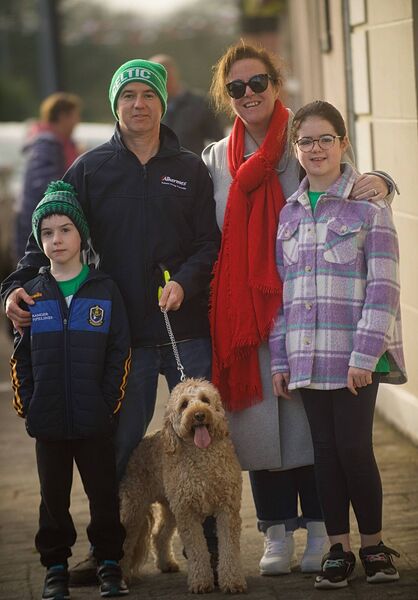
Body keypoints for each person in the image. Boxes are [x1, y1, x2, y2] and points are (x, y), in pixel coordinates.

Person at [1, 59, 220, 585]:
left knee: (204, 440)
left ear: (162, 102)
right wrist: (13, 290)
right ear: (114, 104)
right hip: (123, 341)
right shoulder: (90, 169)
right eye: (127, 95)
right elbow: (44, 238)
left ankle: (208, 551)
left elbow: (208, 243)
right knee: (116, 448)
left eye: (148, 94)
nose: (137, 103)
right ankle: (113, 555)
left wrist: (185, 280)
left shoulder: (189, 168)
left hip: (183, 328)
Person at [202, 41, 397, 576]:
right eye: (237, 87)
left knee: (318, 434)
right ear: (227, 93)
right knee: (257, 422)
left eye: (258, 83)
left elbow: (357, 185)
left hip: (313, 313)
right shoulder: (217, 156)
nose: (248, 94)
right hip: (250, 315)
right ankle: (275, 531)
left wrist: (388, 181)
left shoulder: (302, 137)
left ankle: (321, 530)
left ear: (275, 84)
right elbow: (204, 228)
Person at [269, 100, 406, 589]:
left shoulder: (369, 204)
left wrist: (365, 355)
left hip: (355, 357)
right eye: (306, 141)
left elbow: (384, 287)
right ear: (296, 149)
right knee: (323, 453)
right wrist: (280, 359)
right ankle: (338, 550)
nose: (316, 149)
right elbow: (283, 298)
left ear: (343, 143)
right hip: (307, 356)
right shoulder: (288, 215)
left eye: (326, 138)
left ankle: (373, 547)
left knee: (354, 449)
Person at [10, 181, 131, 599]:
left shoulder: (104, 290)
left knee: (103, 494)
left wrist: (106, 405)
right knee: (52, 500)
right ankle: (55, 568)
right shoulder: (33, 295)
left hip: (94, 419)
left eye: (64, 230)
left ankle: (110, 564)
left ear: (81, 235)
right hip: (49, 421)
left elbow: (119, 352)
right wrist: (30, 404)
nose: (56, 239)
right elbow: (21, 358)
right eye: (46, 233)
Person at [15, 92, 82, 260]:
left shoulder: (59, 144)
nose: (77, 122)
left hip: (47, 231)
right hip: (39, 234)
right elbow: (45, 186)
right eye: (74, 116)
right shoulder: (46, 146)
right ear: (62, 117)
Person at [149, 53, 224, 155]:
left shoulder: (200, 103)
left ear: (174, 74)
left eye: (165, 75)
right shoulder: (149, 108)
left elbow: (218, 140)